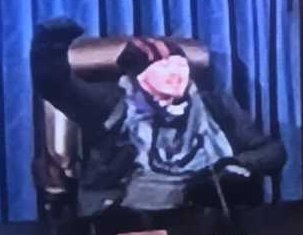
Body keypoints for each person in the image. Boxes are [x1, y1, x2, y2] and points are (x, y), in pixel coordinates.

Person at [30, 18, 286, 218]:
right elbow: (56, 86)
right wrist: (51, 45)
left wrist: (232, 165)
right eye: (163, 66)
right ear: (139, 76)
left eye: (181, 65)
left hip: (206, 213)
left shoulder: (216, 104)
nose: (176, 74)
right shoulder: (113, 103)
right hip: (130, 214)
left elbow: (272, 151)